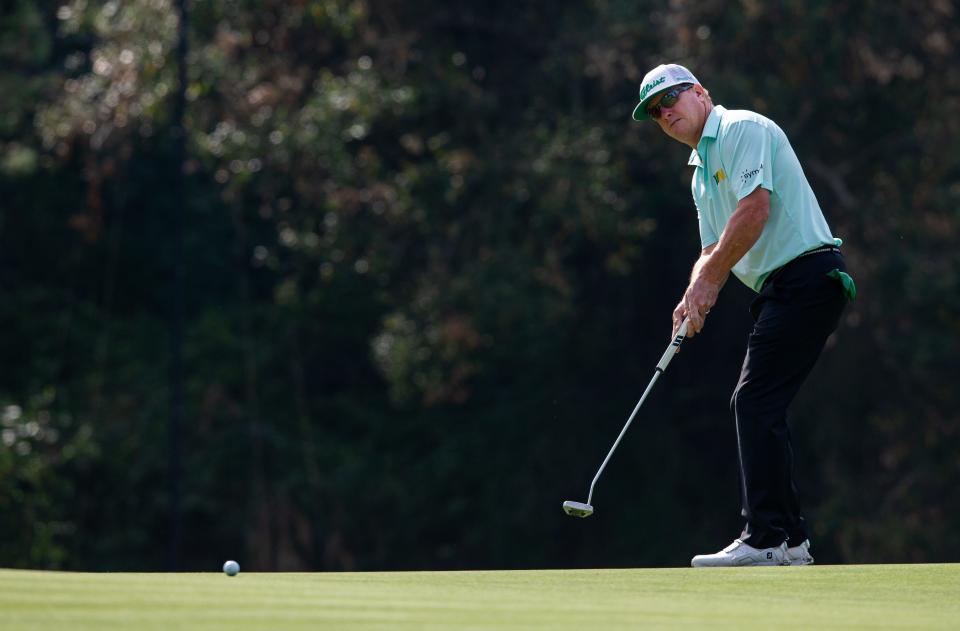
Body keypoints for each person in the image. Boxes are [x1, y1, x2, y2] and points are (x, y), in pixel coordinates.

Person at [632, 64, 855, 567]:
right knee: (760, 403)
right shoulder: (699, 175)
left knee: (753, 401)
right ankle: (790, 541)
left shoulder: (741, 129)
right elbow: (712, 246)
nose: (666, 113)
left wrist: (710, 281)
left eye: (671, 98)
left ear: (701, 92)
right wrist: (693, 293)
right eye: (655, 111)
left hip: (809, 275)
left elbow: (755, 210)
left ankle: (766, 537)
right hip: (783, 288)